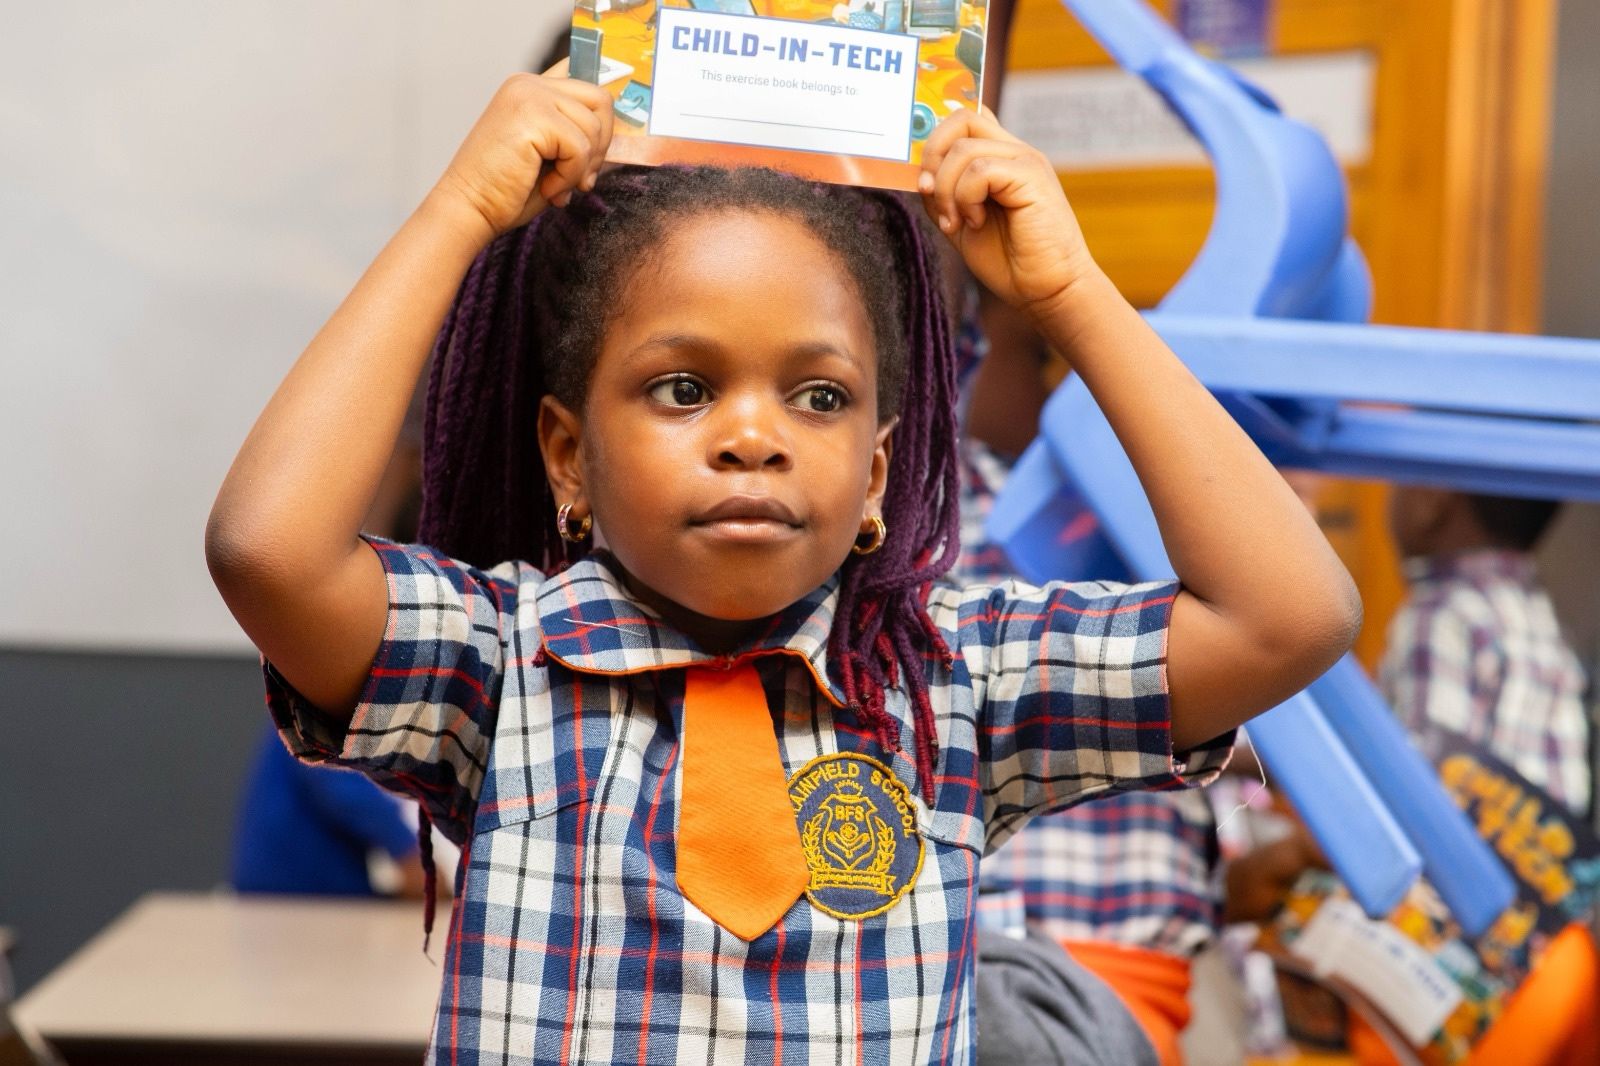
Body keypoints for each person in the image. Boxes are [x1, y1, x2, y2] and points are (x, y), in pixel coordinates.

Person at [204, 67, 1359, 1063]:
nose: (752, 433)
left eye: (818, 396)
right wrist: (456, 212)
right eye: (684, 387)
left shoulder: (959, 682)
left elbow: (1287, 616)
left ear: (872, 476)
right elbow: (268, 549)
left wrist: (1068, 296)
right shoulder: (496, 664)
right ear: (569, 453)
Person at [1381, 488, 1589, 816]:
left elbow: (1420, 784)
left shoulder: (1439, 612)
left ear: (1431, 502)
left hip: (1462, 859)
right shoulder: (1535, 609)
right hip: (1541, 857)